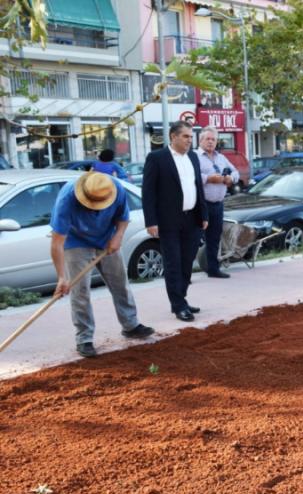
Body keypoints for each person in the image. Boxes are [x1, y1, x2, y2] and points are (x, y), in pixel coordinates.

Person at [50, 171, 154, 357]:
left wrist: (117, 237)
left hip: (107, 239)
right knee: (80, 291)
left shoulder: (116, 189)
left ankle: (130, 325)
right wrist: (61, 277)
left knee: (120, 283)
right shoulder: (67, 198)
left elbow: (123, 219)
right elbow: (57, 242)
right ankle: (84, 338)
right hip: (77, 242)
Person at [142, 121, 208, 322]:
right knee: (173, 263)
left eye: (191, 136)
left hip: (192, 219)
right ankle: (178, 305)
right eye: (186, 136)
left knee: (187, 261)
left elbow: (198, 188)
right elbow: (148, 192)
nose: (190, 140)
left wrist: (203, 215)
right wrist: (151, 221)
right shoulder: (157, 158)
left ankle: (182, 298)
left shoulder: (193, 157)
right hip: (168, 220)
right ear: (173, 136)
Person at [196, 126, 239, 279]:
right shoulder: (194, 156)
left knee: (214, 238)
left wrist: (230, 178)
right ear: (200, 140)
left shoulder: (221, 158)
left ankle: (213, 269)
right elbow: (191, 176)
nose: (210, 142)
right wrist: (208, 178)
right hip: (201, 205)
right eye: (207, 139)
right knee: (193, 239)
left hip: (218, 204)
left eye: (213, 139)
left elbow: (235, 172)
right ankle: (185, 275)